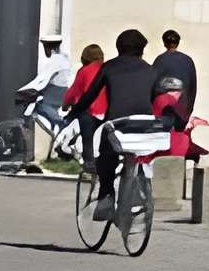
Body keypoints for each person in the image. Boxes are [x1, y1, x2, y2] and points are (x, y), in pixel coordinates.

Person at [63, 30, 161, 219]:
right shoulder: (151, 70)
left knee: (107, 155)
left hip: (118, 125)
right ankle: (139, 190)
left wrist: (73, 114)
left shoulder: (109, 67)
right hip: (144, 127)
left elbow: (89, 96)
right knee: (139, 153)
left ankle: (106, 197)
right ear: (142, 49)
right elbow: (155, 98)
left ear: (119, 48)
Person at [17, 38, 74, 126]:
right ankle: (57, 126)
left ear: (49, 48)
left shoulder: (57, 60)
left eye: (45, 48)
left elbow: (42, 78)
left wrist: (22, 90)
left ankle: (61, 124)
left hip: (58, 91)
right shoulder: (63, 56)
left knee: (41, 106)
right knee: (39, 102)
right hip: (58, 89)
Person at [153, 30, 198, 113]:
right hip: (182, 110)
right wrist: (188, 111)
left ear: (164, 43)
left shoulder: (159, 60)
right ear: (178, 43)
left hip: (162, 111)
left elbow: (152, 86)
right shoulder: (188, 60)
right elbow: (193, 88)